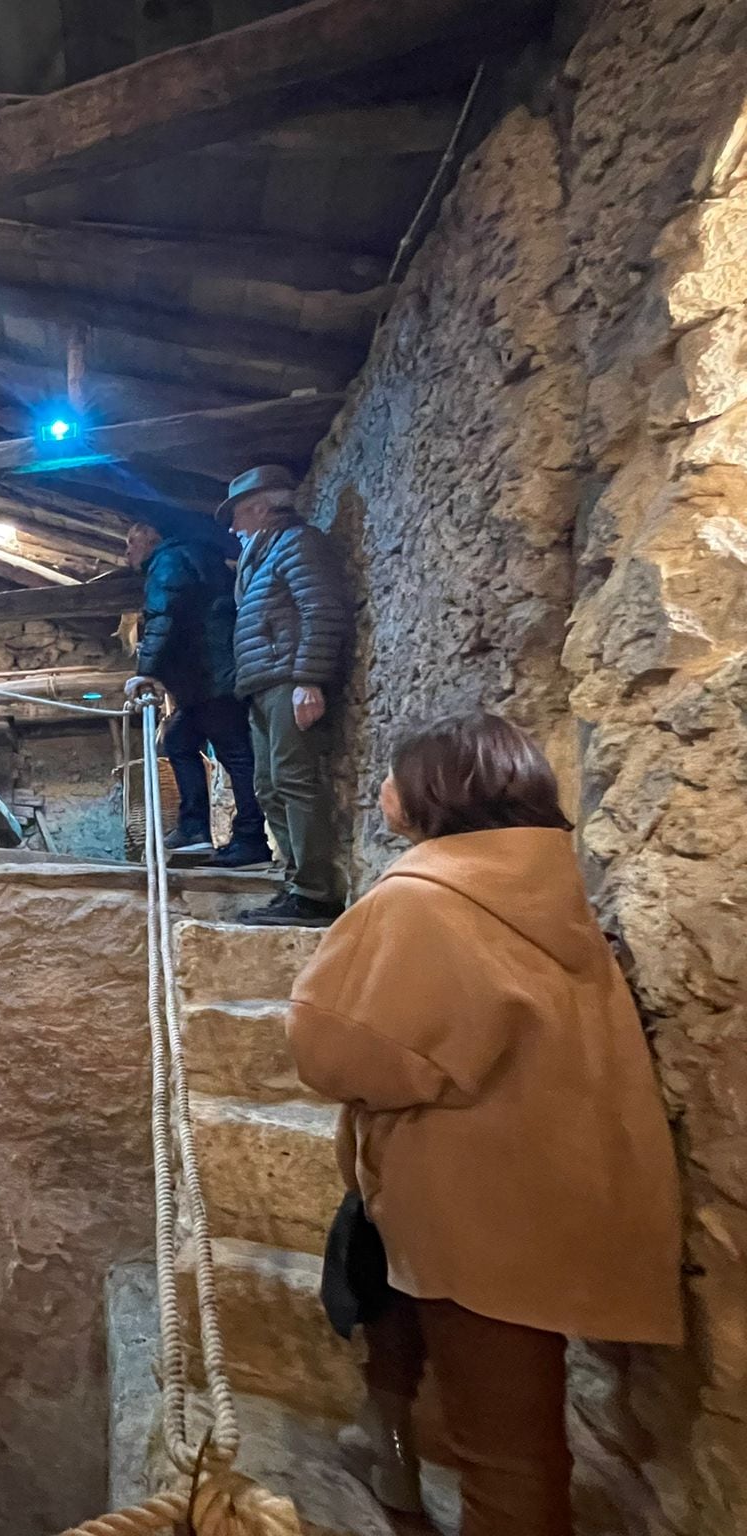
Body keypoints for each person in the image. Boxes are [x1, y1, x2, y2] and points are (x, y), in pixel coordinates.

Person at [287, 714, 682, 1536]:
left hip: (473, 1204)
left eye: (394, 777)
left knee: (510, 1455)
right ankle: (391, 1450)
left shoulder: (422, 902)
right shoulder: (547, 888)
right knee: (394, 1294)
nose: (382, 791)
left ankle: (405, 1459)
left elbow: (340, 1054)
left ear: (432, 793)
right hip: (554, 1174)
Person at [220, 464, 354, 926]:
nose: (234, 527)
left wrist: (309, 679)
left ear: (260, 508)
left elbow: (320, 608)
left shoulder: (297, 544)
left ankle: (316, 894)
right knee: (270, 786)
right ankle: (296, 882)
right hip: (263, 682)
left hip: (286, 678)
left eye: (238, 515)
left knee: (294, 780)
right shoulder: (264, 556)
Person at [121, 521, 269, 867]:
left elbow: (163, 615)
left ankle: (250, 839)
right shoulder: (201, 560)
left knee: (236, 755)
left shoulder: (169, 562)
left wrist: (145, 672)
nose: (126, 551)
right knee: (179, 741)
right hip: (205, 678)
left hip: (210, 677)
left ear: (152, 540)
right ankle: (195, 829)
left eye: (131, 542)